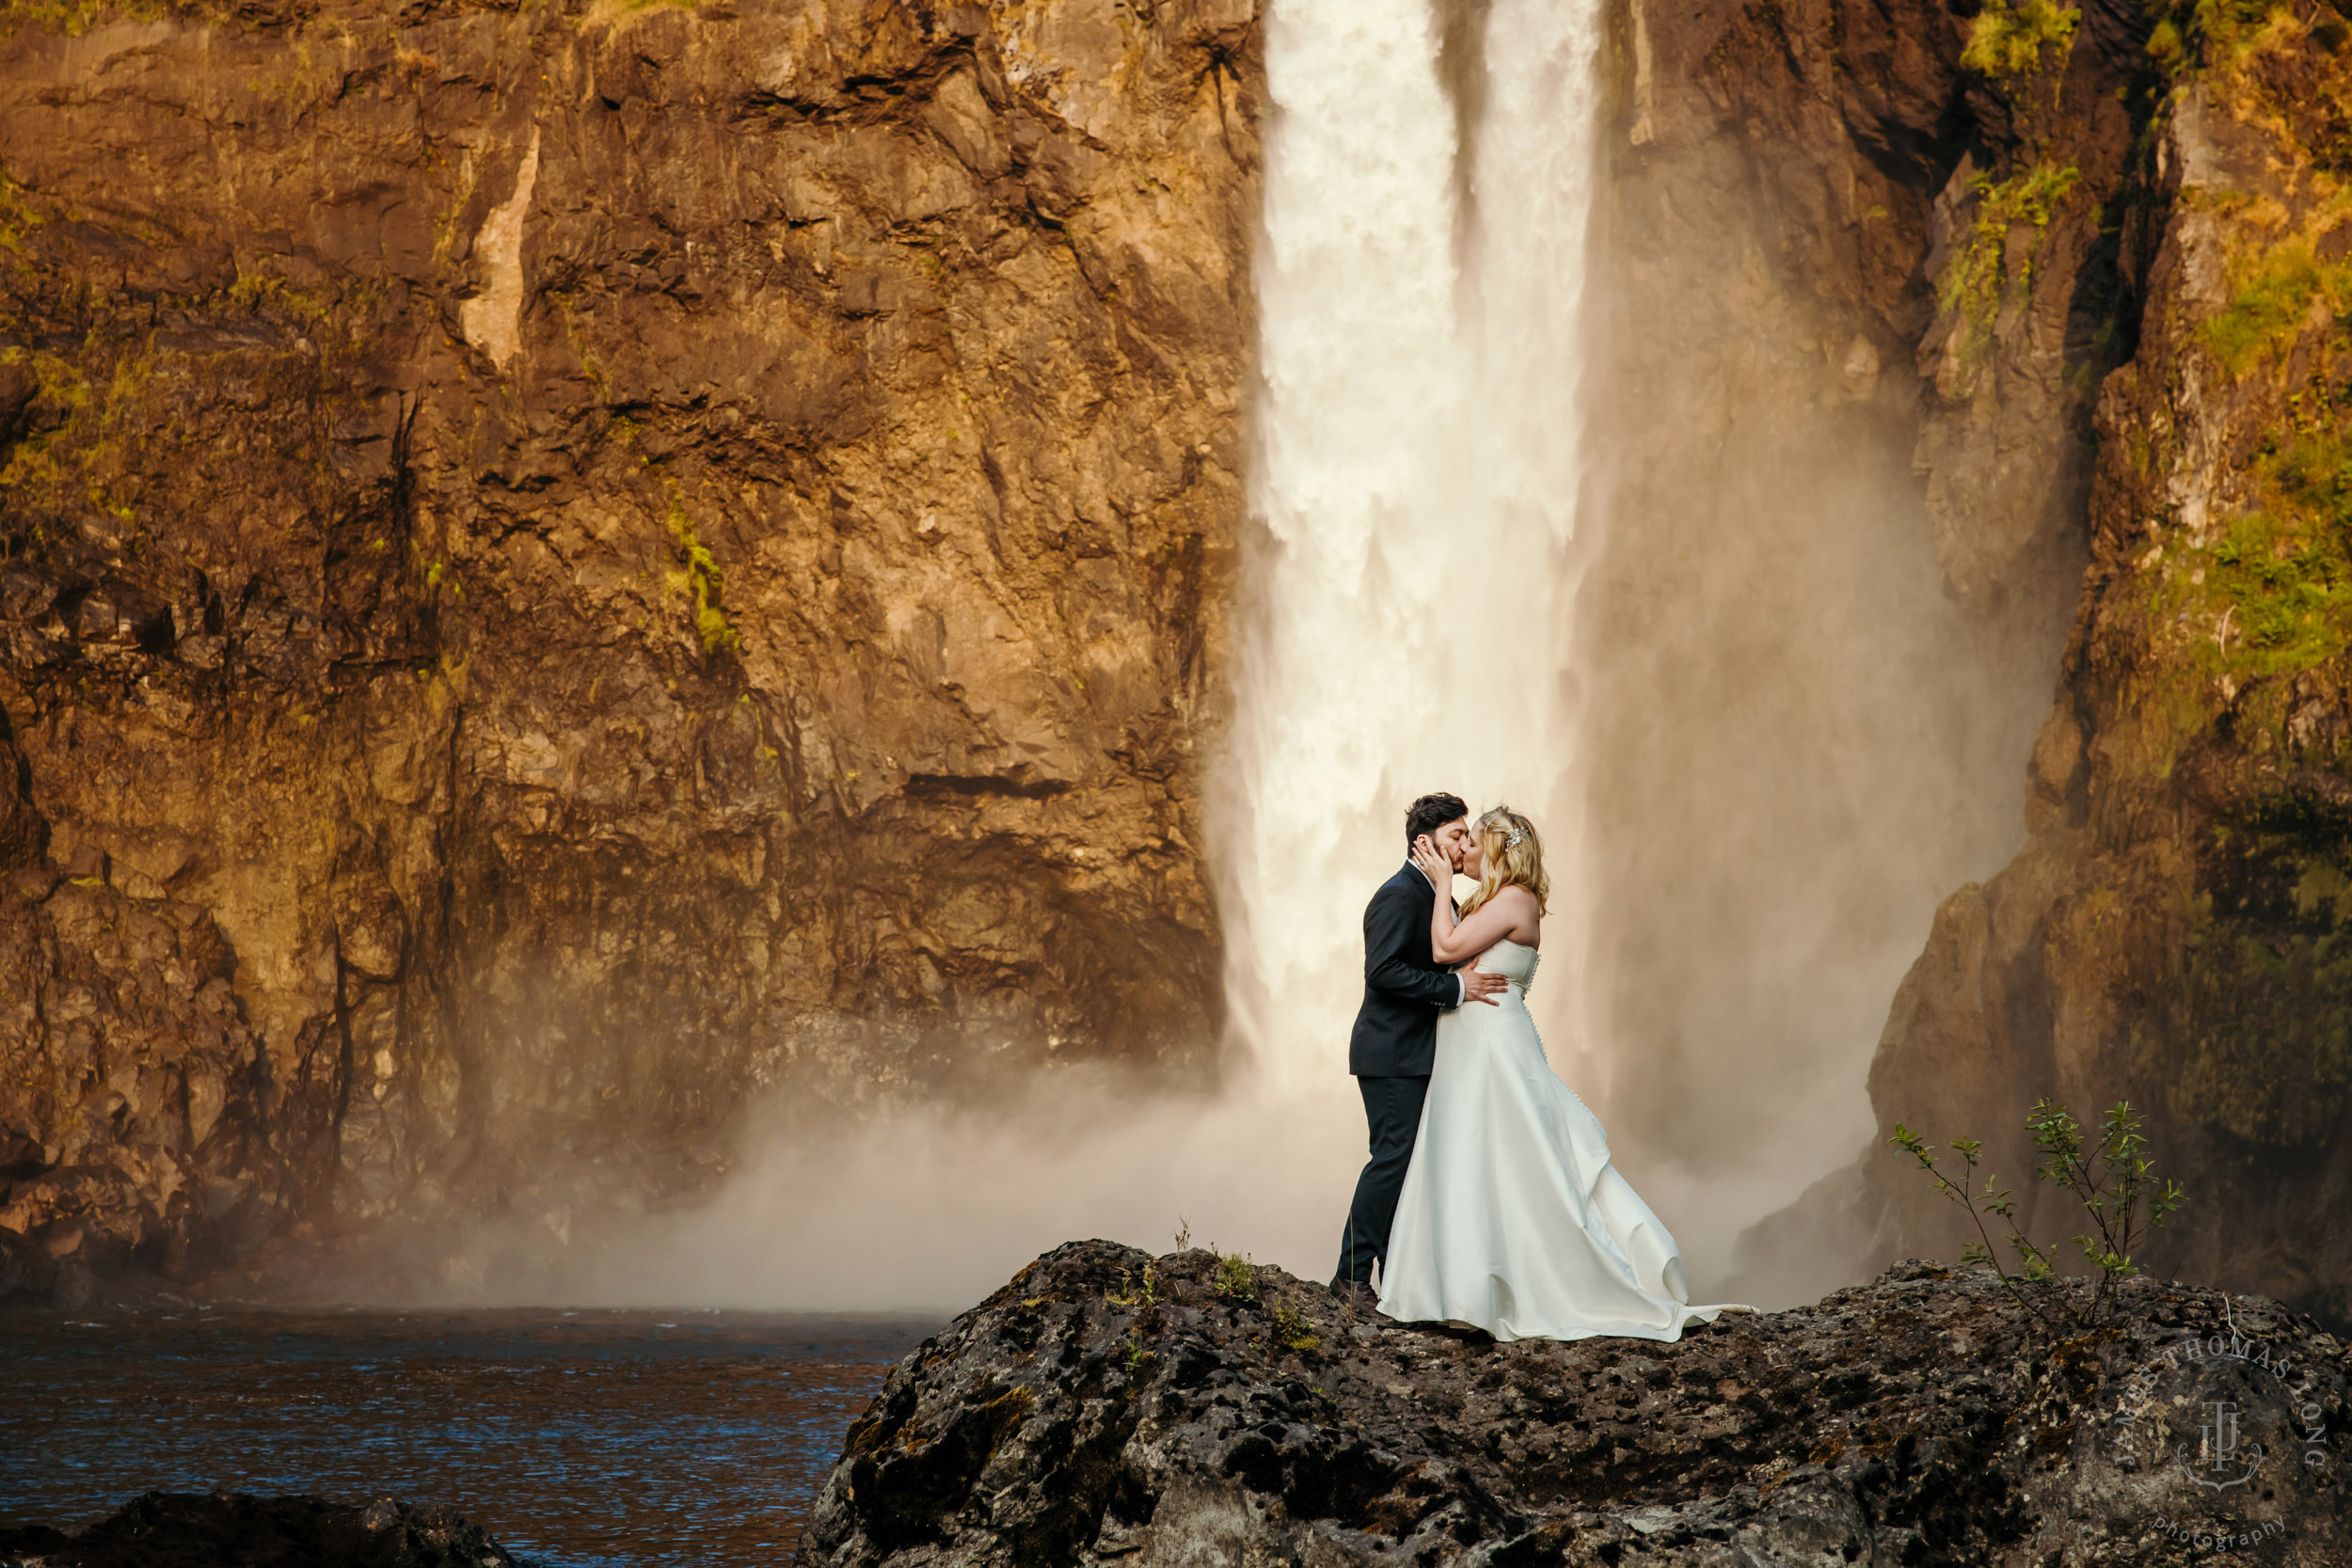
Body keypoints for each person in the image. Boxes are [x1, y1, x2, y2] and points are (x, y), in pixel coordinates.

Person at [1375, 804, 1750, 1341]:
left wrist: (1437, 886)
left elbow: (1443, 948)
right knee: (1475, 1161)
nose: (1464, 853)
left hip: (1489, 1049)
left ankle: (1498, 1287)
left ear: (1499, 850)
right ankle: (1461, 1288)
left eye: (1473, 843)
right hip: (1475, 1046)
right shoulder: (1497, 900)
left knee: (1509, 1162)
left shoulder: (1513, 899)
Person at [1330, 792, 1507, 1300]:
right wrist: (1454, 989)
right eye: (1457, 836)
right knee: (1391, 1160)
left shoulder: (1435, 895)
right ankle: (1349, 1278)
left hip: (1416, 1054)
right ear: (1423, 842)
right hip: (1391, 1054)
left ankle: (1397, 1281)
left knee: (1406, 1167)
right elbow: (1382, 971)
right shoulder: (1399, 894)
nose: (1464, 845)